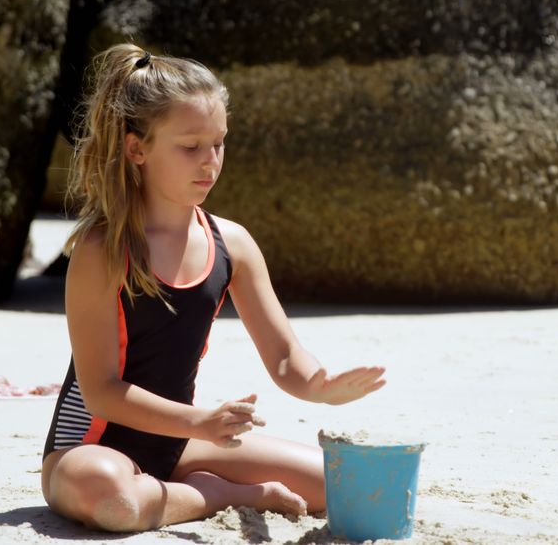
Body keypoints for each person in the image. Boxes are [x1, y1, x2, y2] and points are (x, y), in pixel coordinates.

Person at [40, 44, 387, 532]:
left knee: (336, 484)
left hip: (178, 444)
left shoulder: (233, 244)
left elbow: (285, 356)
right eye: (190, 147)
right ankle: (219, 494)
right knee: (112, 500)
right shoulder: (103, 249)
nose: (210, 162)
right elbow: (100, 393)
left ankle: (182, 487)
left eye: (219, 143)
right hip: (91, 450)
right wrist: (200, 423)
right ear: (137, 148)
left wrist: (320, 386)